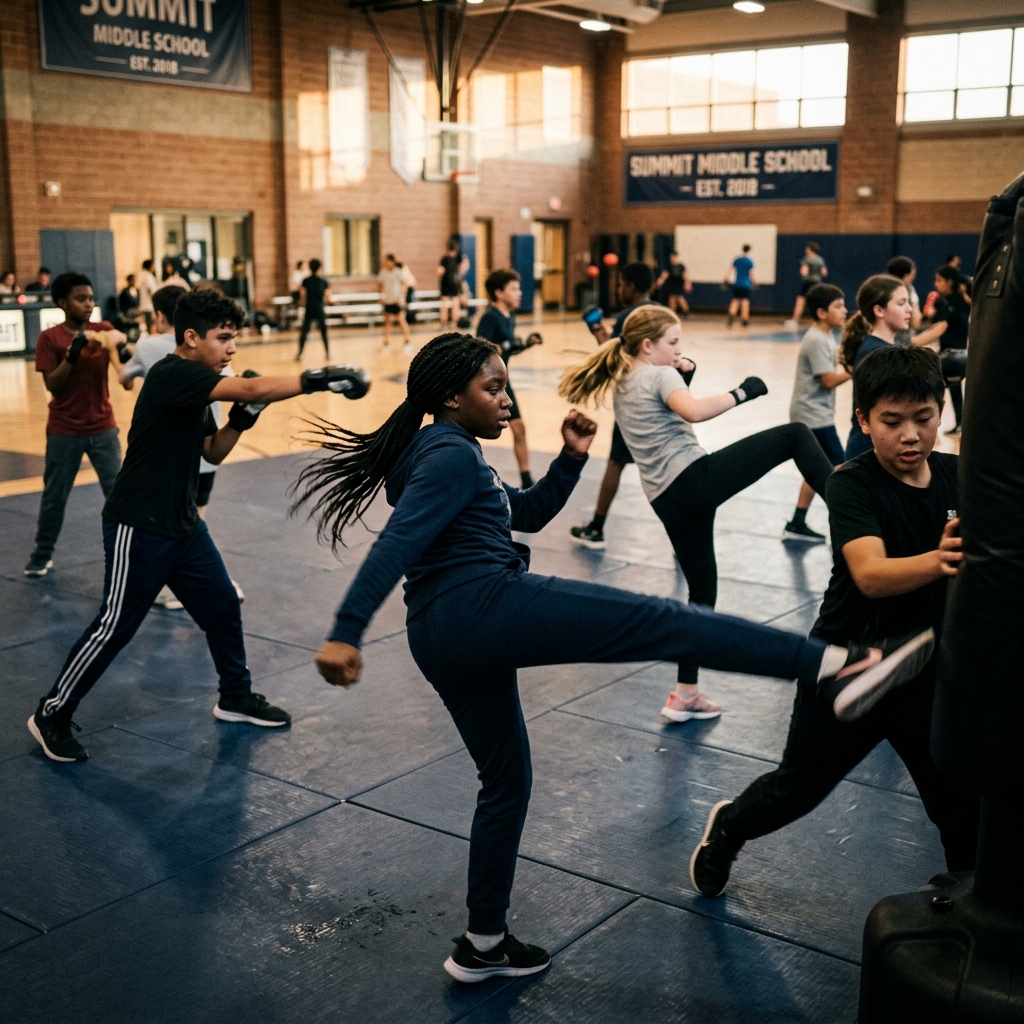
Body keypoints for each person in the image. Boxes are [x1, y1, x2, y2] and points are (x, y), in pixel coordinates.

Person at [298, 332, 934, 984]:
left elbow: (521, 516)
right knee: (667, 621)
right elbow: (399, 540)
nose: (508, 398)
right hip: (481, 606)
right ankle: (836, 665)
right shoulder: (449, 454)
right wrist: (346, 630)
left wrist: (571, 460)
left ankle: (482, 943)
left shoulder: (443, 452)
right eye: (493, 387)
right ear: (451, 398)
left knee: (506, 781)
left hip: (439, 635)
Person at [26, 289, 368, 764]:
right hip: (139, 524)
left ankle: (234, 697)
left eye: (234, 339)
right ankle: (52, 712)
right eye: (223, 338)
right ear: (190, 337)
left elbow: (212, 451)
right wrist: (318, 378)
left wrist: (242, 424)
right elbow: (249, 388)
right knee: (115, 626)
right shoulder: (172, 373)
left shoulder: (199, 382)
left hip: (183, 524)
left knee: (223, 605)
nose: (232, 349)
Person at [689, 346, 980, 899]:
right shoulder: (853, 482)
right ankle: (729, 827)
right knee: (796, 790)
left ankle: (965, 915)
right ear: (863, 420)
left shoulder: (957, 474)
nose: (911, 435)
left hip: (924, 671)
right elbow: (869, 573)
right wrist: (941, 560)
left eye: (924, 418)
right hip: (850, 664)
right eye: (892, 422)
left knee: (958, 804)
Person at [561, 305, 837, 724]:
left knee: (701, 596)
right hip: (693, 479)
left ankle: (685, 694)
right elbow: (690, 412)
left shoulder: (624, 380)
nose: (677, 351)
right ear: (647, 344)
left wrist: (682, 374)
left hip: (667, 500)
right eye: (672, 343)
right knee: (795, 436)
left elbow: (661, 415)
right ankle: (851, 506)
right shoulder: (659, 374)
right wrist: (743, 391)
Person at [119, 284, 246, 607]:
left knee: (187, 520)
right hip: (200, 450)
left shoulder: (149, 347)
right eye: (223, 338)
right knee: (192, 515)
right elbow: (239, 384)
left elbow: (123, 376)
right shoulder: (198, 356)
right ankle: (182, 579)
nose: (229, 347)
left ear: (160, 316)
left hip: (193, 443)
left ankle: (189, 578)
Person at [24, 273, 127, 578]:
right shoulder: (50, 338)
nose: (88, 304)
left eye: (91, 299)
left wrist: (115, 339)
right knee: (55, 496)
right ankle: (42, 555)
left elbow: (119, 339)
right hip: (64, 430)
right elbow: (53, 385)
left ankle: (132, 553)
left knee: (119, 494)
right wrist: (72, 356)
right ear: (62, 302)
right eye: (81, 299)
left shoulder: (102, 330)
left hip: (103, 427)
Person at [570, 261, 670, 548]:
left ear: (630, 286)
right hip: (662, 396)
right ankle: (683, 534)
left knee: (616, 462)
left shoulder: (629, 316)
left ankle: (597, 527)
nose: (618, 289)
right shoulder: (660, 314)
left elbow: (612, 357)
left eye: (620, 284)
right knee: (662, 468)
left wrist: (596, 329)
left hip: (635, 403)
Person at [783, 284, 851, 543]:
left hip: (815, 415)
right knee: (840, 468)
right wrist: (857, 370)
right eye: (838, 306)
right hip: (813, 418)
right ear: (822, 312)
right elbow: (827, 380)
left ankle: (797, 522)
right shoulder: (816, 339)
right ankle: (848, 524)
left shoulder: (826, 336)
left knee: (815, 471)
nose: (844, 310)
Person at [474, 269, 542, 488]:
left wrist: (525, 343)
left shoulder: (509, 316)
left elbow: (507, 349)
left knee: (519, 427)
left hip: (501, 382)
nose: (519, 293)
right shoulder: (490, 317)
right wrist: (505, 345)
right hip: (485, 383)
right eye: (514, 289)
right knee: (472, 429)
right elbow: (481, 348)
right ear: (499, 293)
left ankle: (526, 480)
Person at [839, 275, 912, 462]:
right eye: (901, 303)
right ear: (879, 310)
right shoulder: (874, 352)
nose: (909, 309)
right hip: (868, 450)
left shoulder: (887, 347)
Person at [929, 264, 971, 436]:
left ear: (949, 282)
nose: (936, 284)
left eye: (939, 280)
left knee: (945, 388)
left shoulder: (958, 300)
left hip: (956, 353)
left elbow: (941, 326)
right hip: (951, 351)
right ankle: (959, 422)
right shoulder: (942, 300)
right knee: (951, 389)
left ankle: (960, 422)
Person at [786, 242, 828, 328]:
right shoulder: (820, 259)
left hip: (808, 282)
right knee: (817, 301)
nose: (805, 250)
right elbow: (824, 272)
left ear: (810, 249)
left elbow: (804, 271)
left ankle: (795, 319)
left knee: (801, 299)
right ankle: (821, 319)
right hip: (817, 282)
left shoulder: (807, 259)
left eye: (807, 248)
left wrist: (803, 273)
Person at [378, 253, 413, 352]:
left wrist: (402, 298)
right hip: (388, 301)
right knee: (388, 322)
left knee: (401, 320)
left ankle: (407, 341)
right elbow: (380, 285)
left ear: (392, 261)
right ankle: (385, 343)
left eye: (386, 261)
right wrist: (381, 296)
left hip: (397, 301)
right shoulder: (383, 273)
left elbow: (404, 284)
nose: (385, 263)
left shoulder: (398, 272)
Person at [297, 258, 331, 360]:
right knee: (323, 331)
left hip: (309, 308)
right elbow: (328, 297)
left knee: (304, 331)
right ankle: (327, 353)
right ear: (319, 268)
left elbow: (302, 295)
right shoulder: (323, 281)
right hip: (320, 308)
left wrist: (300, 304)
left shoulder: (306, 281)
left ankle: (300, 353)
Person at [885, 256, 922, 346]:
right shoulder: (908, 290)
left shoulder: (878, 288)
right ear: (905, 276)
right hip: (900, 343)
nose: (913, 279)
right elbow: (916, 322)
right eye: (912, 276)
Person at [437, 236, 467, 327]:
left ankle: (444, 321)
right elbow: (462, 269)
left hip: (446, 283)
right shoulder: (457, 259)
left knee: (444, 303)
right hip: (455, 283)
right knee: (455, 303)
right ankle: (455, 321)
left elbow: (439, 271)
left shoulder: (444, 259)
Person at [655, 251, 690, 318]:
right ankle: (672, 314)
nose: (672, 259)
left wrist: (687, 282)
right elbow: (665, 275)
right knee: (672, 299)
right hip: (672, 285)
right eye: (671, 257)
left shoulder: (681, 266)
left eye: (673, 257)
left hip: (678, 285)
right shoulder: (670, 267)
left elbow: (685, 274)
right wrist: (660, 281)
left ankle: (686, 313)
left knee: (680, 298)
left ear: (676, 257)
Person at [727, 245, 755, 327]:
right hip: (746, 284)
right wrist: (754, 282)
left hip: (737, 283)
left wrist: (726, 279)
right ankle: (744, 319)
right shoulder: (749, 261)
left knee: (735, 300)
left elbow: (730, 269)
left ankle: (731, 315)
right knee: (745, 301)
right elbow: (751, 273)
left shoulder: (737, 259)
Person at [137, 260, 159, 329]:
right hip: (148, 306)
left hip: (147, 306)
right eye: (153, 265)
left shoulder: (146, 276)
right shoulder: (148, 277)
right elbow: (153, 291)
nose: (154, 267)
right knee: (151, 325)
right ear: (150, 267)